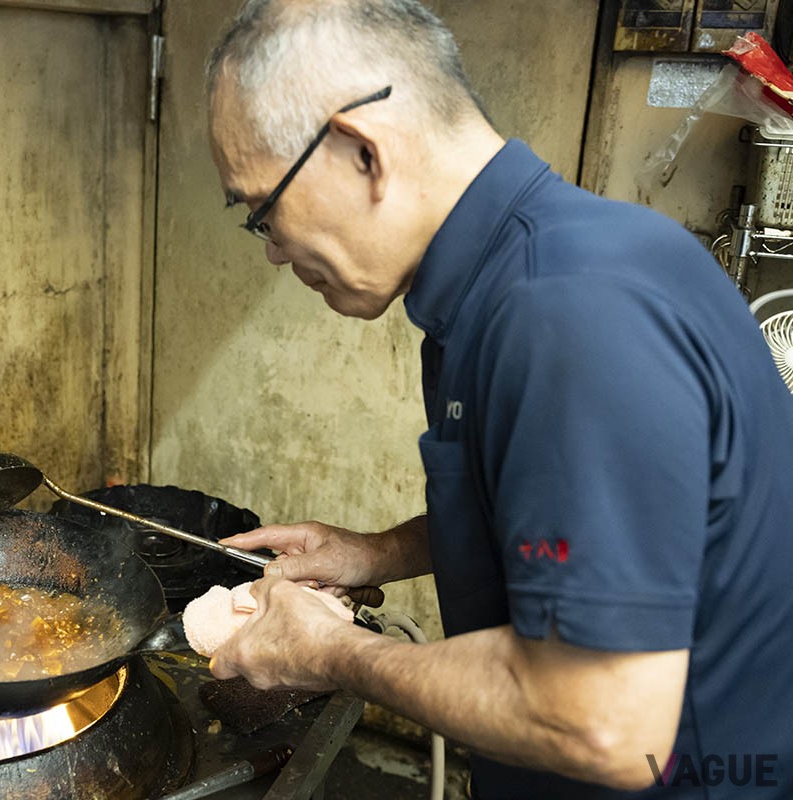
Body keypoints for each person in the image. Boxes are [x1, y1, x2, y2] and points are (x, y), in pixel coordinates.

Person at [203, 1, 793, 797]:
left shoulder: (566, 315)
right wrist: (380, 553)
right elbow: (571, 528)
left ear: (360, 151)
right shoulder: (532, 271)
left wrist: (329, 653)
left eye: (263, 212)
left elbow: (603, 723)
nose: (274, 252)